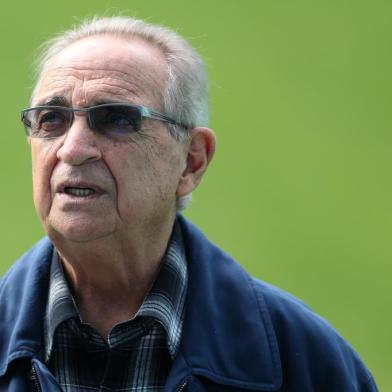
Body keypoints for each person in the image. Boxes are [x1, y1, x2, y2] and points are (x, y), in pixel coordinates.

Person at [0, 16, 378, 392]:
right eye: (51, 120)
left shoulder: (308, 360)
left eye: (116, 119)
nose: (73, 149)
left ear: (191, 161)